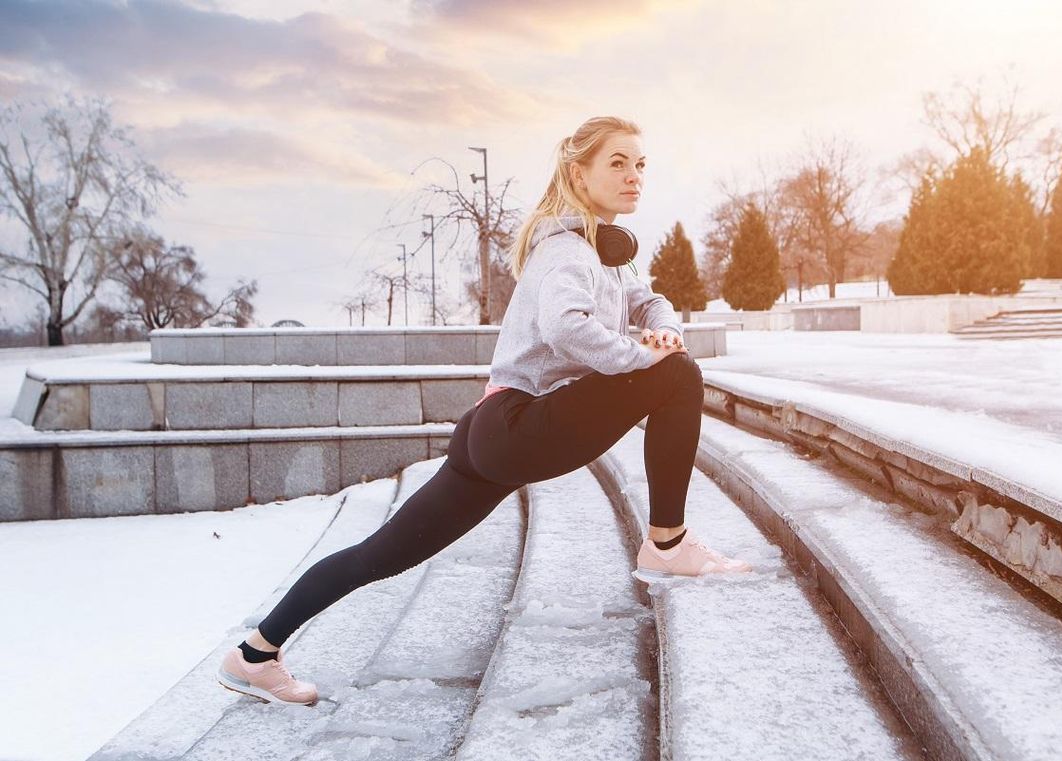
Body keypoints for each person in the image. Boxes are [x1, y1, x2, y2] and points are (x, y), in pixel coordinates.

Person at [216, 116, 751, 707]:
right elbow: (565, 326)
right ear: (579, 173)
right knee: (677, 378)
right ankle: (668, 542)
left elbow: (647, 301)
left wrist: (665, 332)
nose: (633, 176)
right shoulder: (565, 249)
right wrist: (641, 358)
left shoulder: (606, 255)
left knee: (382, 554)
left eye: (640, 164)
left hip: (489, 433)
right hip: (518, 425)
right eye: (617, 163)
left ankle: (256, 654)